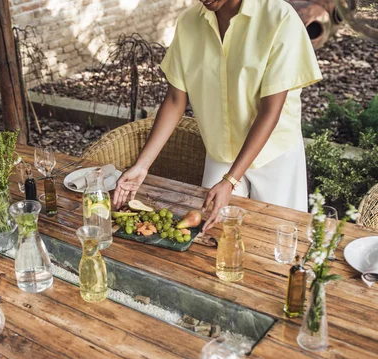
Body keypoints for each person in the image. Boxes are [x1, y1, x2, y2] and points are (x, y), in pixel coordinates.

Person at [112, 0, 322, 232]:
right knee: (212, 240)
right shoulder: (189, 23)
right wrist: (142, 166)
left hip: (274, 154)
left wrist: (231, 180)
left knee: (277, 240)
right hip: (221, 153)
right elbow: (175, 100)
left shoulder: (279, 18)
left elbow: (270, 111)